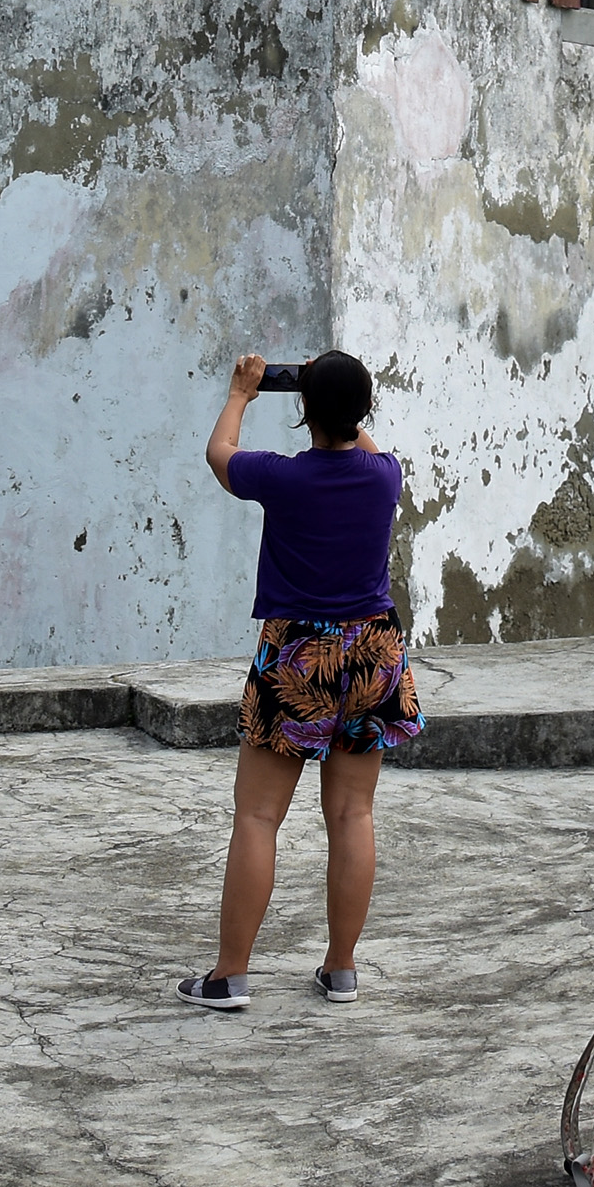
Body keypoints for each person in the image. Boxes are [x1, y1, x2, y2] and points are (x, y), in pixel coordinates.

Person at [178, 350, 420, 1012]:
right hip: (373, 649)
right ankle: (340, 967)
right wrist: (337, 394)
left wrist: (242, 390)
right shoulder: (384, 477)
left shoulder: (279, 477)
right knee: (353, 812)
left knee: (258, 815)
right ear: (365, 411)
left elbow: (218, 450)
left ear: (304, 410)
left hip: (299, 655)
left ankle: (230, 975)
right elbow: (364, 446)